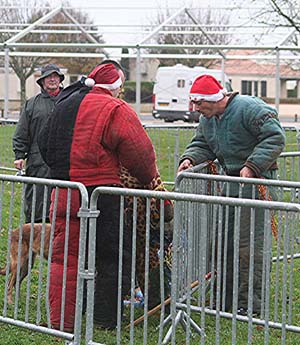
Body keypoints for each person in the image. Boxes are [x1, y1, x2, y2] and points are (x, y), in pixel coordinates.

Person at [38, 63, 159, 331]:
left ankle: (61, 323)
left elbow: (44, 141)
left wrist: (61, 170)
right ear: (116, 86)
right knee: (109, 256)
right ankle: (104, 320)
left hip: (64, 189)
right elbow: (140, 154)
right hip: (101, 193)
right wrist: (148, 178)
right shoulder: (115, 109)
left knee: (64, 257)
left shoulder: (64, 104)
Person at [178, 74, 285, 316]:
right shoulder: (208, 119)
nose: (196, 109)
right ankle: (223, 299)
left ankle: (250, 304)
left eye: (199, 103)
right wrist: (190, 158)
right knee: (222, 244)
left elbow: (275, 137)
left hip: (256, 184)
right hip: (230, 184)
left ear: (213, 99)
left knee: (248, 246)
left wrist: (253, 165)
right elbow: (202, 143)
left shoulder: (250, 108)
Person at [12, 64, 64, 223]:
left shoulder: (68, 101)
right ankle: (34, 242)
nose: (53, 79)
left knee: (62, 205)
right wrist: (19, 155)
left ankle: (59, 242)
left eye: (55, 76)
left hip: (63, 162)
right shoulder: (32, 103)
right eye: (49, 77)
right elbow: (22, 131)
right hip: (37, 163)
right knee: (37, 205)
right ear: (42, 81)